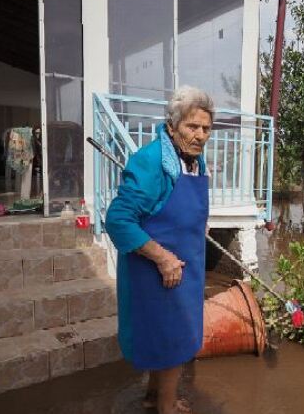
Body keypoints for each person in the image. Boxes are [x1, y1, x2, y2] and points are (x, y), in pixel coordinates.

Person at [105, 86, 213, 414]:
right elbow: (119, 219)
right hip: (158, 270)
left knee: (168, 336)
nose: (199, 135)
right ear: (172, 126)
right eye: (191, 127)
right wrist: (163, 259)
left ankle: (154, 396)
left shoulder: (195, 162)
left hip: (187, 266)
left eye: (206, 129)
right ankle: (166, 407)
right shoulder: (151, 162)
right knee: (170, 338)